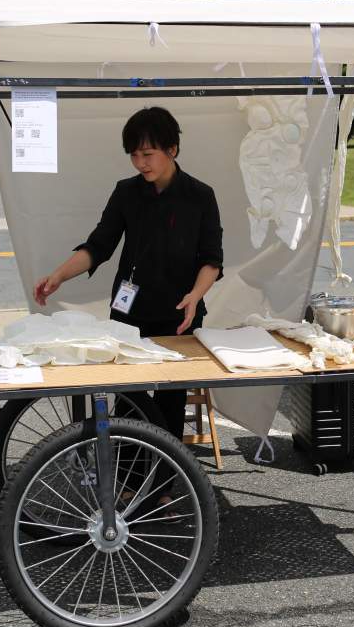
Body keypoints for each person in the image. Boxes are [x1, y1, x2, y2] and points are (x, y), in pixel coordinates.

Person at [33, 106, 223, 500]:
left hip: (178, 318)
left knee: (169, 407)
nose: (141, 163)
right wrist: (58, 276)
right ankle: (125, 488)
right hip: (129, 315)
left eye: (148, 154)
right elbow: (98, 245)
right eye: (134, 155)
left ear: (172, 149)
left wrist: (195, 296)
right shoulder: (126, 192)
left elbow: (212, 259)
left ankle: (161, 491)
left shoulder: (200, 196)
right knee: (126, 403)